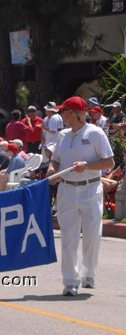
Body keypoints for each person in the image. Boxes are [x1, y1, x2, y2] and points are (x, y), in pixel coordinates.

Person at [47, 96, 114, 296]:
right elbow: (56, 161)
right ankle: (70, 281)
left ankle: (89, 274)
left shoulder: (95, 133)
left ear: (74, 113)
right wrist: (52, 169)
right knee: (68, 237)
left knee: (92, 235)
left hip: (90, 188)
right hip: (66, 189)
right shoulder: (63, 135)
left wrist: (87, 166)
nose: (61, 115)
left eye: (64, 111)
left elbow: (109, 162)